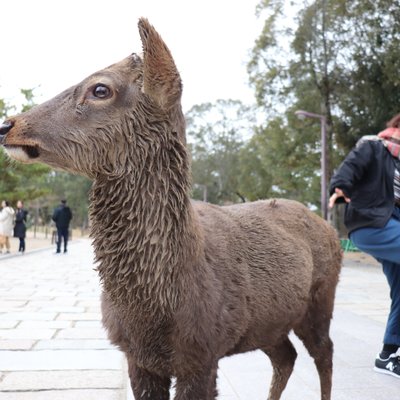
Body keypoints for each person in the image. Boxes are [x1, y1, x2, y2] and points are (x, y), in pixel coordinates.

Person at [329, 112, 400, 378]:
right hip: (373, 223)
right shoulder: (374, 146)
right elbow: (349, 169)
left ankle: (388, 355)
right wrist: (339, 188)